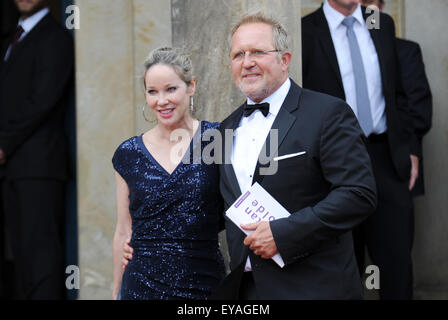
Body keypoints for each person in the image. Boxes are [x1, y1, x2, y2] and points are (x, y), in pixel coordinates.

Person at [213, 13, 377, 299]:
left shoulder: (328, 113)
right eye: (238, 54)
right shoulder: (225, 128)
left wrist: (284, 233)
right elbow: (217, 207)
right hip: (247, 291)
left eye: (258, 52)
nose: (247, 62)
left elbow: (358, 194)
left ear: (284, 59)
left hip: (315, 287)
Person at [302, 0, 418, 299]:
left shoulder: (380, 22)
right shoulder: (305, 30)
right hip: (333, 162)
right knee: (342, 261)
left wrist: (410, 148)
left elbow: (398, 93)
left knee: (395, 263)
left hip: (386, 158)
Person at [112, 47, 225, 300]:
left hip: (204, 284)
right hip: (141, 286)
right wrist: (115, 292)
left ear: (191, 86)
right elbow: (123, 231)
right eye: (152, 92)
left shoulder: (217, 139)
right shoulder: (128, 153)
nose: (161, 101)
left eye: (171, 89)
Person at [0, 0, 73, 299]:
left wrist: (3, 144)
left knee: (41, 256)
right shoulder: (10, 40)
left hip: (39, 166)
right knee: (21, 256)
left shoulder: (55, 39)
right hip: (12, 167)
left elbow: (41, 101)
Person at [361, 0, 432, 196]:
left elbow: (418, 109)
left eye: (369, 4)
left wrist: (410, 150)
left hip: (393, 156)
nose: (363, 11)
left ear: (381, 8)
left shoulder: (404, 51)